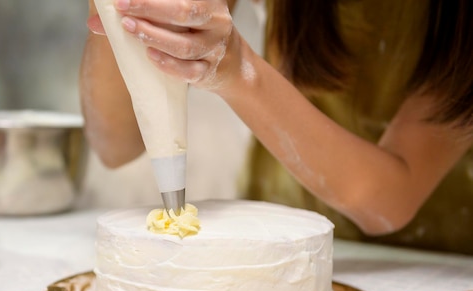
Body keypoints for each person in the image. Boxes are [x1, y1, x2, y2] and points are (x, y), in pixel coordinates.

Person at [79, 0, 473, 255]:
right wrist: (126, 18)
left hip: (436, 270)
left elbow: (388, 202)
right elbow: (116, 141)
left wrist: (237, 70)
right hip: (270, 248)